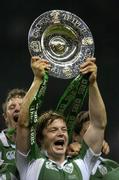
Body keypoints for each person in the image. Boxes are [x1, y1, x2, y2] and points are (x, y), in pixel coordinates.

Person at [16, 56, 107, 180]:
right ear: (41, 138)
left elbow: (98, 124)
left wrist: (92, 83)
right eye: (53, 130)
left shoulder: (82, 163)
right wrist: (37, 80)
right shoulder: (31, 161)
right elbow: (23, 123)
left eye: (64, 130)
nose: (61, 133)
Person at [67, 111, 119, 179]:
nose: (94, 137)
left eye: (97, 133)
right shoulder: (65, 162)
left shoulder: (112, 165)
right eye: (88, 132)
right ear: (76, 136)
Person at [0, 88, 26, 179]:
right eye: (12, 107)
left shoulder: (40, 143)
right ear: (6, 117)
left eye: (22, 106)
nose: (17, 109)